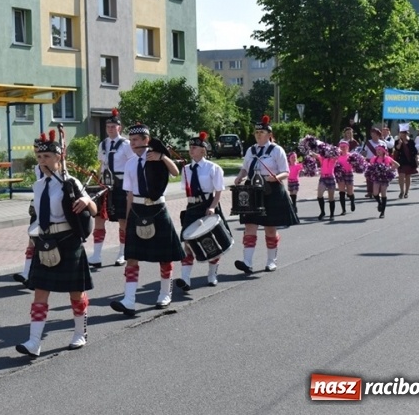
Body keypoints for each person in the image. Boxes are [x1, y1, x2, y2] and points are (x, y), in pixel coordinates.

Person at [16, 131, 97, 358]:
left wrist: (85, 199)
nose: (42, 161)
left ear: (58, 158)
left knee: (75, 293)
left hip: (68, 241)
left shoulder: (71, 182)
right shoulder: (39, 185)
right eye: (39, 157)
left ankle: (80, 333)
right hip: (45, 242)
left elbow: (94, 211)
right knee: (40, 292)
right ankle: (34, 342)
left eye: (47, 156)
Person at [110, 123, 183, 316]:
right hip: (138, 209)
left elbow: (176, 172)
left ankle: (165, 293)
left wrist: (163, 157)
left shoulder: (157, 159)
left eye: (135, 140)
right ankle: (129, 300)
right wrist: (126, 221)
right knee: (131, 257)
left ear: (146, 141)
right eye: (131, 140)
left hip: (157, 208)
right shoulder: (130, 163)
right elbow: (130, 194)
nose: (132, 144)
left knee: (164, 256)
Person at [233, 115, 299, 275]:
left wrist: (276, 177)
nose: (258, 134)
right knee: (250, 225)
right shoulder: (251, 150)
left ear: (269, 134)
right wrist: (240, 175)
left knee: (270, 228)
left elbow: (286, 171)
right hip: (252, 190)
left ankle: (271, 261)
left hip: (271, 189)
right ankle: (247, 262)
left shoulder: (276, 150)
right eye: (256, 132)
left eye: (261, 132)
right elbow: (245, 167)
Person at [175, 132, 227, 290]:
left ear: (203, 150)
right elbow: (186, 190)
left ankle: (212, 274)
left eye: (195, 147)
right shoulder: (186, 169)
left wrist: (212, 206)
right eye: (190, 147)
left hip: (208, 205)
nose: (191, 150)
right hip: (192, 207)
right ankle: (185, 279)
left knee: (213, 242)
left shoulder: (214, 168)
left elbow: (218, 191)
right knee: (188, 244)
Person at [89, 109, 134, 268]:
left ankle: (122, 253)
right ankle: (96, 255)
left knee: (123, 220)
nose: (110, 128)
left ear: (119, 128)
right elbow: (101, 165)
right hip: (105, 186)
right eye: (108, 126)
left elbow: (132, 165)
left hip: (121, 185)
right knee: (99, 218)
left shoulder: (127, 145)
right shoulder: (103, 144)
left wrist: (131, 187)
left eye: (113, 126)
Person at [13, 136, 45, 288]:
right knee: (32, 238)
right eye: (36, 151)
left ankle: (40, 272)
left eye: (41, 151)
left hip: (52, 209)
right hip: (38, 206)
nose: (39, 155)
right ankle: (26, 272)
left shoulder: (58, 168)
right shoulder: (37, 168)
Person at [366, 145, 399, 218]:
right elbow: (370, 166)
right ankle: (379, 202)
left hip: (385, 178)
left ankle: (382, 212)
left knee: (383, 193)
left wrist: (390, 169)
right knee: (375, 193)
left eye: (379, 150)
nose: (378, 151)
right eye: (377, 150)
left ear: (383, 151)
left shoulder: (387, 158)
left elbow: (397, 165)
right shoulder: (374, 158)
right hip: (376, 177)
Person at [314, 144, 340, 221]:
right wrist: (310, 151)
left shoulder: (333, 158)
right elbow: (315, 155)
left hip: (330, 178)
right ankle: (322, 212)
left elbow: (337, 154)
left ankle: (332, 214)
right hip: (323, 178)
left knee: (331, 197)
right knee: (319, 195)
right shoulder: (322, 158)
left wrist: (332, 151)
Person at [361, 126, 387, 198]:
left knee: (379, 177)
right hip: (370, 160)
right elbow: (365, 151)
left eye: (374, 134)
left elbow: (386, 152)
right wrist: (363, 155)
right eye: (372, 134)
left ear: (378, 135)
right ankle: (369, 191)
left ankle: (378, 192)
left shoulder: (382, 143)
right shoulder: (368, 142)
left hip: (380, 161)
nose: (373, 135)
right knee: (369, 176)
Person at [393, 124, 418, 199]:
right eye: (402, 133)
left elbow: (414, 151)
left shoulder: (411, 142)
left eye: (405, 133)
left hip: (409, 161)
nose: (403, 134)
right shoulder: (397, 141)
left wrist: (417, 159)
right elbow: (397, 149)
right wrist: (400, 144)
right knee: (401, 175)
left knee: (408, 176)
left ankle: (407, 192)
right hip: (401, 161)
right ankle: (401, 191)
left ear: (407, 133)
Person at [336, 141, 356, 215]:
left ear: (348, 147)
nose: (343, 148)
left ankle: (352, 201)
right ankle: (343, 210)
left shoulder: (351, 156)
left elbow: (356, 163)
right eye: (341, 147)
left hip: (349, 173)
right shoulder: (337, 156)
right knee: (341, 192)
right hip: (340, 174)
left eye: (344, 146)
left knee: (350, 191)